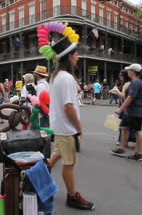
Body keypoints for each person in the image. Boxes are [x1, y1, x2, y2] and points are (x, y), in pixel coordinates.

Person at [47, 36, 95, 211]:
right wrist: (78, 126)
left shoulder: (56, 75)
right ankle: (72, 196)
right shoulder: (66, 78)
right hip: (67, 128)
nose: (78, 57)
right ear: (69, 56)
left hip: (60, 126)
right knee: (69, 163)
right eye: (76, 54)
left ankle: (38, 181)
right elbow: (68, 106)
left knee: (56, 156)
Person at [111, 64, 142, 161]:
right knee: (124, 127)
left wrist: (120, 109)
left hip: (135, 111)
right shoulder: (136, 81)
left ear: (133, 71)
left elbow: (130, 98)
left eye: (129, 70)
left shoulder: (136, 82)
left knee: (137, 131)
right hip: (130, 111)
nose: (127, 72)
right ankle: (121, 148)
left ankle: (139, 154)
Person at [111, 70, 136, 147]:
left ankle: (123, 141)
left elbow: (123, 96)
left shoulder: (127, 84)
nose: (119, 77)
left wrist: (116, 90)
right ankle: (128, 140)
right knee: (127, 125)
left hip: (125, 106)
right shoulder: (130, 83)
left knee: (123, 125)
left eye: (121, 75)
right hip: (128, 106)